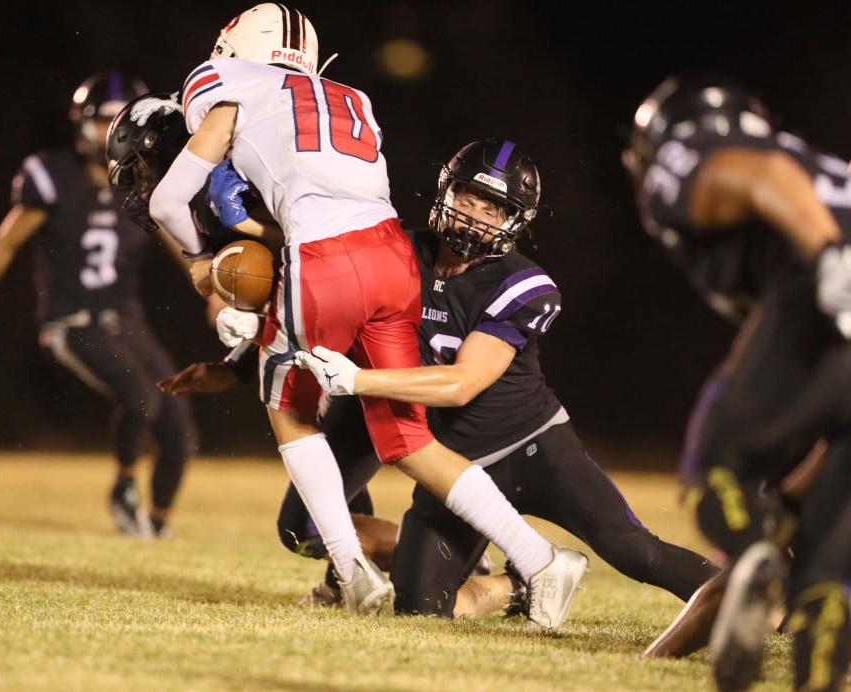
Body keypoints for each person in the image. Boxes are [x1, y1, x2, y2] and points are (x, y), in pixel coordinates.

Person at [147, 3, 588, 624]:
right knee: (403, 433)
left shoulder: (221, 84)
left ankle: (353, 572)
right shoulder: (347, 96)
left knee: (290, 410)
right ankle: (538, 558)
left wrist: (200, 263)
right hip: (390, 256)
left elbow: (170, 201)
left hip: (322, 259)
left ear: (234, 44)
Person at [291, 139, 718, 618]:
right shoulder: (398, 253)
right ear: (444, 195)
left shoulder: (522, 284)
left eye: (492, 209)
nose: (474, 217)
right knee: (421, 608)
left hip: (532, 449)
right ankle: (516, 585)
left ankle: (760, 603)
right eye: (467, 200)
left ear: (515, 220)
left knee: (634, 551)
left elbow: (461, 385)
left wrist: (359, 381)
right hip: (455, 467)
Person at [623, 76, 851, 691]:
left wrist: (831, 256)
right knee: (827, 578)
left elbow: (762, 176)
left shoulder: (699, 152)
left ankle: (758, 559)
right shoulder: (826, 171)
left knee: (715, 474)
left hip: (829, 300)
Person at [0, 72, 198, 539]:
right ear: (82, 124)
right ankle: (125, 487)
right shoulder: (52, 175)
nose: (108, 133)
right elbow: (2, 245)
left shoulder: (141, 181)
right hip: (72, 321)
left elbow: (180, 244)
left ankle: (155, 530)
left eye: (116, 122)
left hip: (125, 319)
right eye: (101, 121)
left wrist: (216, 294)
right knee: (141, 399)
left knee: (179, 428)